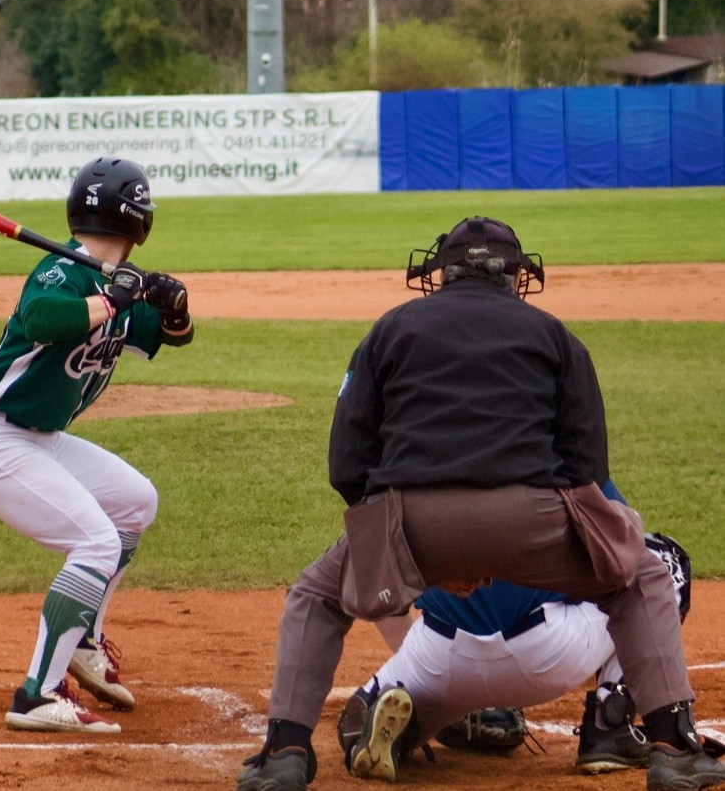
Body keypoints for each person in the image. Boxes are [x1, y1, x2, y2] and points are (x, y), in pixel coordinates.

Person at [237, 216, 724, 791]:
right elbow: (587, 465)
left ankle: (284, 753)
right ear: (516, 276)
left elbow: (348, 460)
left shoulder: (390, 330)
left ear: (441, 273)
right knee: (642, 573)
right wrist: (527, 535)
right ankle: (673, 746)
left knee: (317, 595)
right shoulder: (554, 335)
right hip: (530, 521)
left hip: (416, 522)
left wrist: (394, 540)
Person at [0, 156, 193, 734]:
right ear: (139, 221)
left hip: (37, 438)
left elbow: (174, 336)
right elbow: (43, 317)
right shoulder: (64, 272)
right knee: (97, 543)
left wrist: (172, 304)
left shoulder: (113, 283)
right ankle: (39, 693)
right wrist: (115, 300)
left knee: (135, 501)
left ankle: (83, 639)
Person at [335, 527, 694, 783]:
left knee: (360, 719)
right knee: (663, 561)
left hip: (437, 652)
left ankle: (404, 724)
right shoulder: (545, 441)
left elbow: (373, 578)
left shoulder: (414, 456)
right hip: (550, 651)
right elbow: (614, 544)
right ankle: (609, 723)